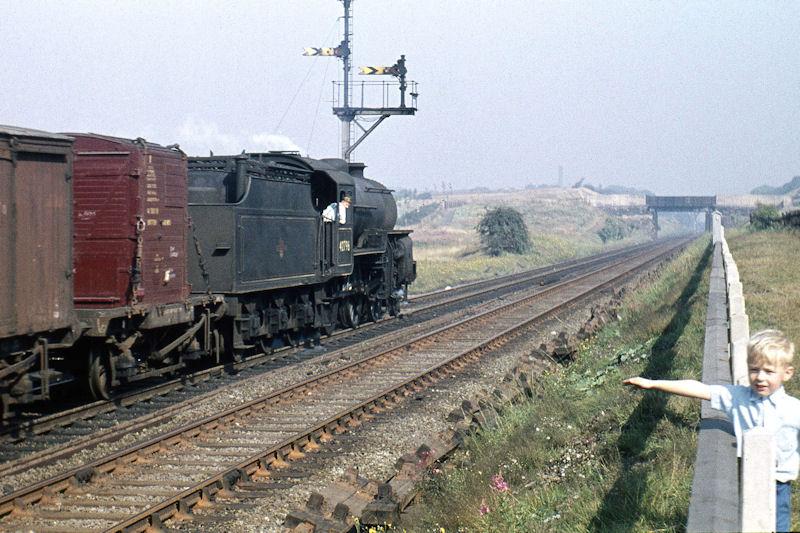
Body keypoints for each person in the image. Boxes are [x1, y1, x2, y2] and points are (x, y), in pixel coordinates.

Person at [624, 329, 799, 532]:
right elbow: (701, 389)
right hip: (747, 477)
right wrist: (653, 383)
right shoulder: (737, 397)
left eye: (769, 371)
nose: (760, 377)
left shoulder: (794, 409)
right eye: (754, 369)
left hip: (779, 485)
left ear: (787, 373)